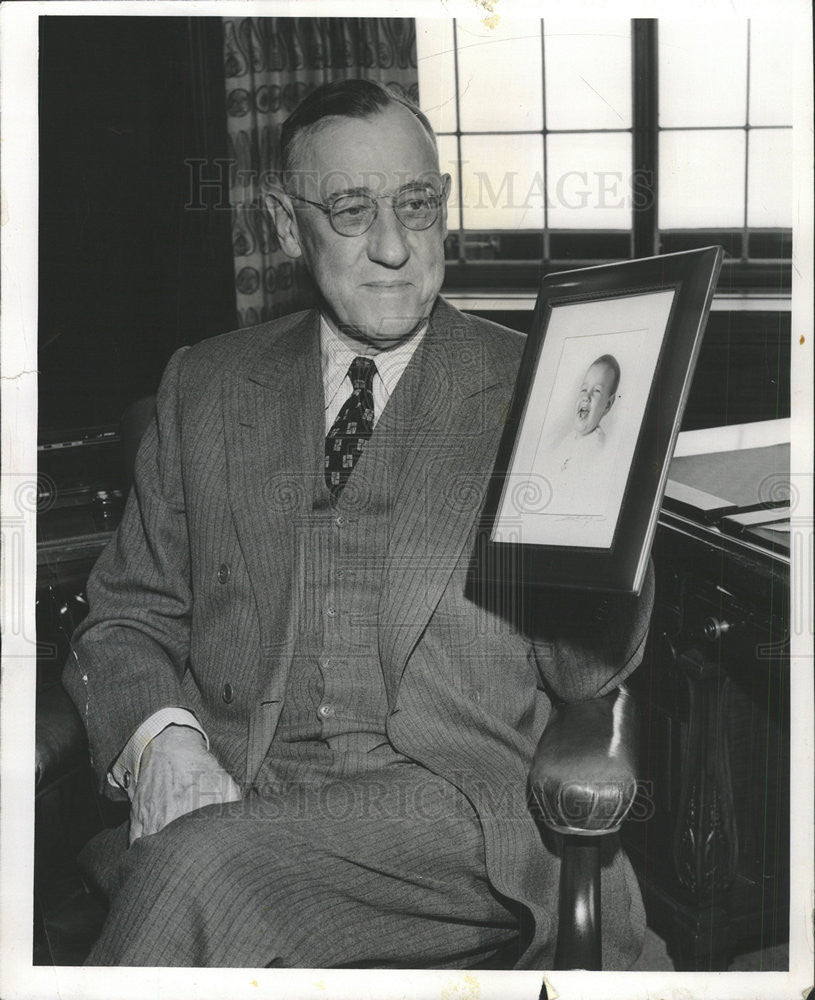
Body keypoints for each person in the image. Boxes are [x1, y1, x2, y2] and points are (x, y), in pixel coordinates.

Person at [63, 79, 653, 970]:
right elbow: (123, 616)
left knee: (197, 875)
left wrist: (612, 491)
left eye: (416, 205)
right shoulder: (208, 385)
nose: (392, 247)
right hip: (236, 791)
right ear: (280, 221)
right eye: (349, 210)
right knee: (204, 861)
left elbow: (586, 674)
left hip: (448, 816)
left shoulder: (549, 389)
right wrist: (163, 742)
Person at [544, 355, 620, 514]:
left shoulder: (597, 448)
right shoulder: (569, 439)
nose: (586, 396)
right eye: (584, 389)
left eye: (597, 391)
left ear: (607, 405)